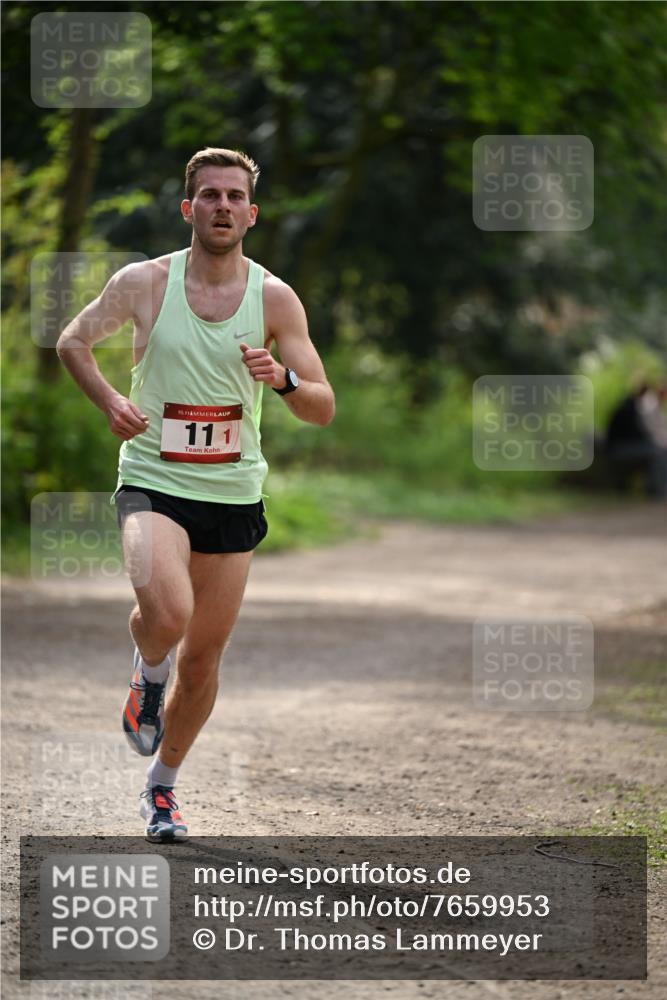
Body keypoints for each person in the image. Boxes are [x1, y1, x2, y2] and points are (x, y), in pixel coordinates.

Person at [56, 147, 335, 841]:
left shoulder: (274, 298)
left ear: (251, 213)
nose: (221, 206)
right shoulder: (145, 283)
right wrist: (111, 402)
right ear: (188, 208)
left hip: (233, 491)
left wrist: (283, 382)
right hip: (153, 477)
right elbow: (72, 341)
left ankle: (162, 791)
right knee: (169, 613)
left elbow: (323, 405)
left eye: (234, 196)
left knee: (205, 659)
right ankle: (147, 674)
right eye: (209, 195)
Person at [605, 381, 667, 498]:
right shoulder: (630, 409)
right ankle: (657, 490)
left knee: (659, 452)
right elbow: (639, 434)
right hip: (620, 449)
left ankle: (657, 488)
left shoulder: (631, 407)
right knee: (658, 453)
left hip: (623, 447)